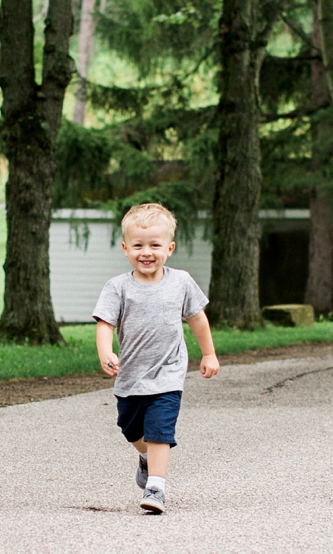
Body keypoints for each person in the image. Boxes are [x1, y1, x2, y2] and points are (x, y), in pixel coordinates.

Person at [93, 202, 220, 514]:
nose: (146, 252)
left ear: (170, 248)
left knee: (160, 430)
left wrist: (209, 353)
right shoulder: (118, 287)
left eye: (154, 245)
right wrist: (105, 352)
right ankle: (146, 457)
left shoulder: (181, 282)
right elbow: (105, 324)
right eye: (138, 245)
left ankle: (156, 488)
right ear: (125, 248)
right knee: (130, 428)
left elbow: (197, 319)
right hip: (131, 376)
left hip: (168, 373)